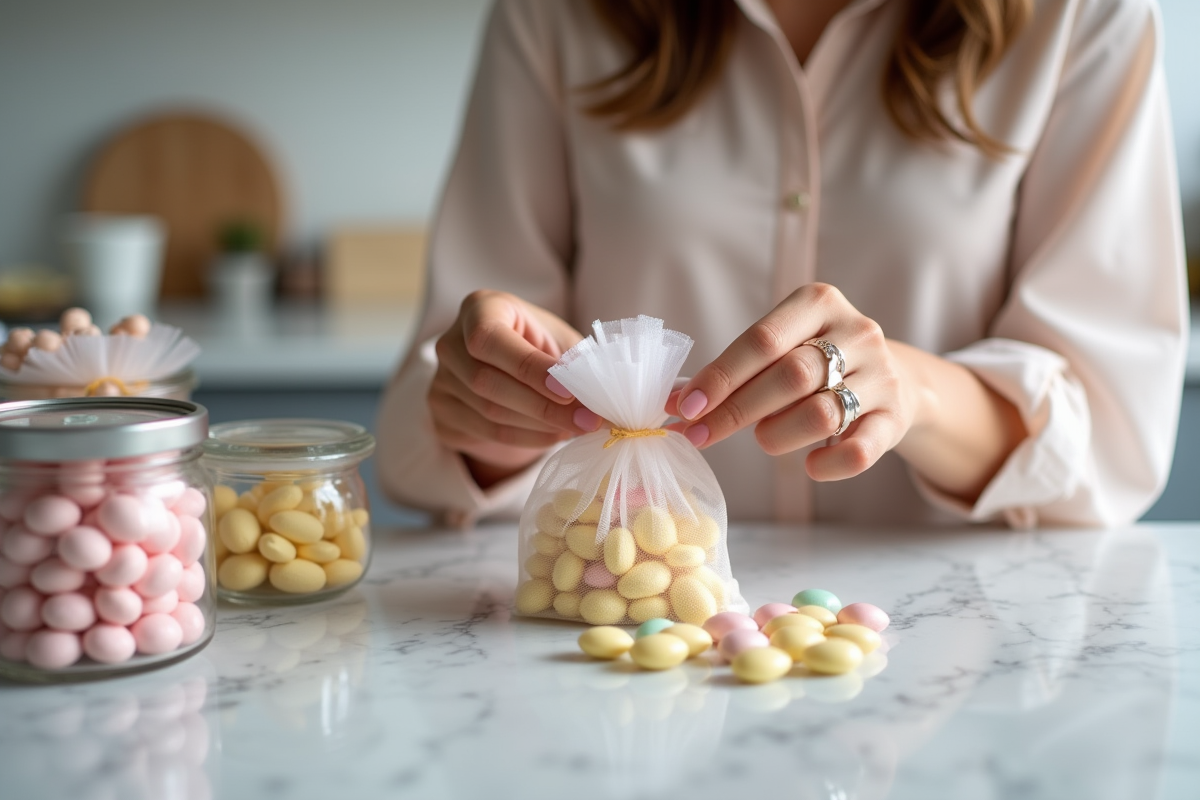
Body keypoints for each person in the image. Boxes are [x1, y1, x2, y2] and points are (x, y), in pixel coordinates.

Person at [377, 0, 1187, 528]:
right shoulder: (552, 16)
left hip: (953, 657)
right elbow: (428, 437)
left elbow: (1111, 438)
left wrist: (914, 392)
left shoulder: (1084, 17)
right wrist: (510, 403)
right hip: (618, 633)